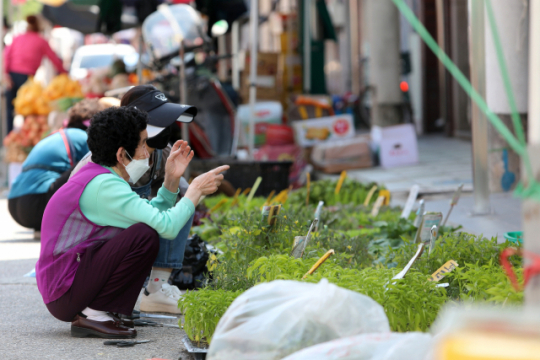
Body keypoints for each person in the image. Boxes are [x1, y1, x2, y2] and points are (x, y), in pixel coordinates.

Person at [36, 106, 228, 338]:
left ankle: (104, 310)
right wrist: (194, 192)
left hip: (65, 285)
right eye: (143, 144)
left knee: (143, 232)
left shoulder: (100, 176)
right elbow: (167, 227)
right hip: (64, 292)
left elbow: (151, 217)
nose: (148, 153)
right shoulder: (104, 187)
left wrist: (170, 182)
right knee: (143, 237)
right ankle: (93, 314)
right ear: (121, 154)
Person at [71, 85, 198, 314]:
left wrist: (179, 190)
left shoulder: (163, 153)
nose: (166, 128)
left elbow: (171, 202)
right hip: (91, 254)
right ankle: (102, 294)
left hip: (127, 233)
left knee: (180, 193)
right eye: (161, 120)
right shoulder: (103, 158)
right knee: (145, 229)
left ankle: (157, 288)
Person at [8, 99, 106, 239]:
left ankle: (43, 226)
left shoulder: (55, 134)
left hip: (15, 204)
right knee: (95, 162)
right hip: (37, 203)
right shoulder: (83, 136)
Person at [3, 15, 66, 134]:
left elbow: (6, 56)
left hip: (11, 76)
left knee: (10, 111)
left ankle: (10, 137)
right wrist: (64, 72)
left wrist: (6, 75)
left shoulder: (17, 37)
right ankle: (22, 137)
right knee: (28, 113)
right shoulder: (41, 40)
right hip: (26, 78)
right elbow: (54, 59)